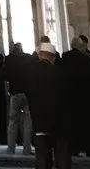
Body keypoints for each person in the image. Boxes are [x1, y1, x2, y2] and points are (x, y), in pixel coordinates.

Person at [24, 38, 71, 169]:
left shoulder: (31, 73)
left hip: (39, 122)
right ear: (52, 57)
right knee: (61, 159)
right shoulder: (58, 73)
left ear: (40, 55)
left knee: (42, 159)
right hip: (57, 122)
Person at [61, 35, 90, 155]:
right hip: (85, 97)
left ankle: (74, 148)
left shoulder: (64, 58)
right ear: (80, 46)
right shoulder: (87, 59)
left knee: (73, 123)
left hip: (69, 97)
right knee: (87, 123)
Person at [5, 41, 33, 155]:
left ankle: (11, 148)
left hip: (15, 93)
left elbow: (5, 76)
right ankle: (27, 149)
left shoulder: (9, 59)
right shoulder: (28, 58)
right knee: (28, 122)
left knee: (13, 121)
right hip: (27, 93)